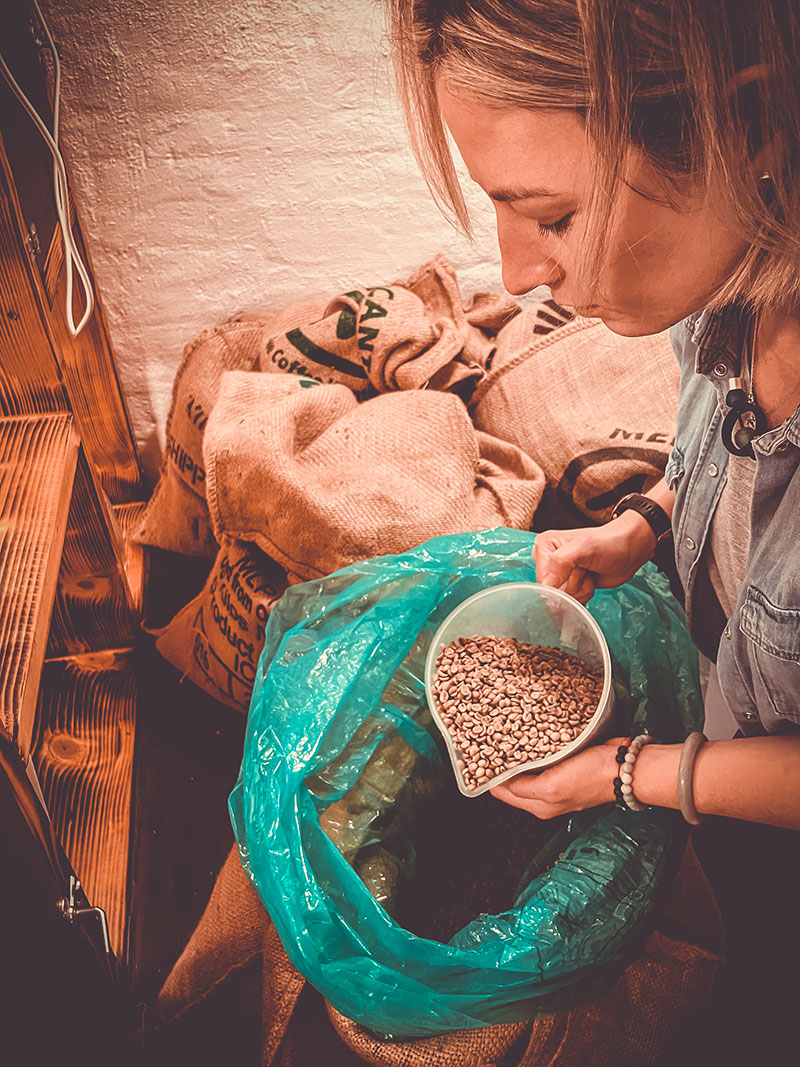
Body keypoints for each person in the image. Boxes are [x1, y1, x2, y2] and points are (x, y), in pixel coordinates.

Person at [389, 1, 800, 1062]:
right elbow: (722, 455)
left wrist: (624, 773)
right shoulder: (737, 288)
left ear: (743, 124)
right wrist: (642, 522)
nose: (517, 271)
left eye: (552, 218)